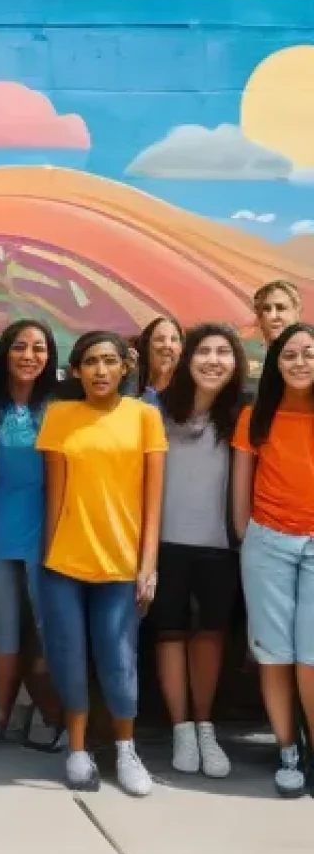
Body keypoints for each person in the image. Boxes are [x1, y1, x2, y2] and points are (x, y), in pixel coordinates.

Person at [35, 331, 167, 796]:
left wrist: (147, 564)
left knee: (119, 659)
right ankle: (76, 749)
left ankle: (126, 749)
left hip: (121, 563)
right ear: (75, 371)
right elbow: (55, 495)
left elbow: (153, 502)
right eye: (90, 361)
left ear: (124, 367)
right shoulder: (59, 416)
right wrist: (49, 560)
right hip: (64, 563)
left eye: (109, 361)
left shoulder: (146, 417)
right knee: (68, 658)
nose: (100, 370)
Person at [153, 324, 246, 778]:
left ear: (235, 363)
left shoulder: (243, 417)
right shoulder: (158, 412)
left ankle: (205, 725)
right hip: (164, 544)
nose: (213, 360)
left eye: (223, 352)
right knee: (168, 633)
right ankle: (180, 729)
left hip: (219, 548)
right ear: (187, 360)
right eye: (204, 351)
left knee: (210, 634)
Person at [232, 322, 314, 798]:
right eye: (290, 355)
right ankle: (287, 750)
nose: (300, 363)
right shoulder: (255, 416)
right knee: (275, 656)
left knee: (310, 659)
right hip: (268, 544)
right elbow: (241, 486)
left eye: (308, 354)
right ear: (277, 363)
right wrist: (247, 536)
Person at [0, 319, 64, 749]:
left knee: (49, 624)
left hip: (50, 527)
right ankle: (3, 706)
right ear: (5, 353)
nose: (29, 356)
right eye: (20, 347)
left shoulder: (63, 404)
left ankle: (46, 707)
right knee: (4, 622)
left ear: (50, 357)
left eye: (39, 348)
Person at [136, 316, 183, 404]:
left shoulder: (192, 397)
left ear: (181, 348)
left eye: (174, 340)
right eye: (160, 339)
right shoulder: (131, 395)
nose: (167, 345)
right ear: (147, 347)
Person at [253, 281, 301, 350]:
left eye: (280, 308)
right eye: (266, 309)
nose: (272, 316)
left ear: (296, 312)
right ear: (259, 318)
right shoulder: (246, 357)